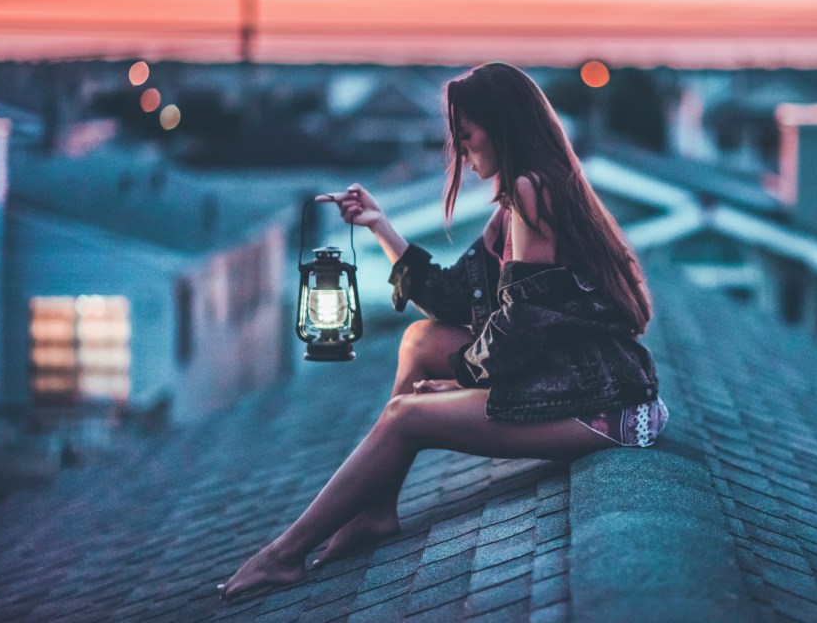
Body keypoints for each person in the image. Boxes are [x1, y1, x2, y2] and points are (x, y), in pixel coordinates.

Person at [218, 62, 667, 600]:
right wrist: (380, 224)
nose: (460, 149)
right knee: (421, 339)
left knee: (405, 416)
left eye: (466, 135)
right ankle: (378, 509)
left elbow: (518, 329)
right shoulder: (515, 206)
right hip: (569, 378)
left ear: (501, 127)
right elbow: (452, 296)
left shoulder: (532, 194)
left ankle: (284, 554)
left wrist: (459, 383)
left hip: (600, 407)